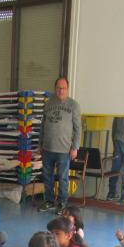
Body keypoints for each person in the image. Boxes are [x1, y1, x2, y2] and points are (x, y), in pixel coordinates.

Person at [38, 77, 81, 214]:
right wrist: (40, 143)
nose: (60, 90)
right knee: (47, 176)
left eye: (63, 88)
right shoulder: (48, 104)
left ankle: (62, 204)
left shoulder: (73, 105)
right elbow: (43, 125)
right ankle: (49, 201)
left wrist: (75, 147)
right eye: (58, 88)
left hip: (64, 149)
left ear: (67, 89)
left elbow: (78, 128)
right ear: (55, 88)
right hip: (47, 148)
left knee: (63, 178)